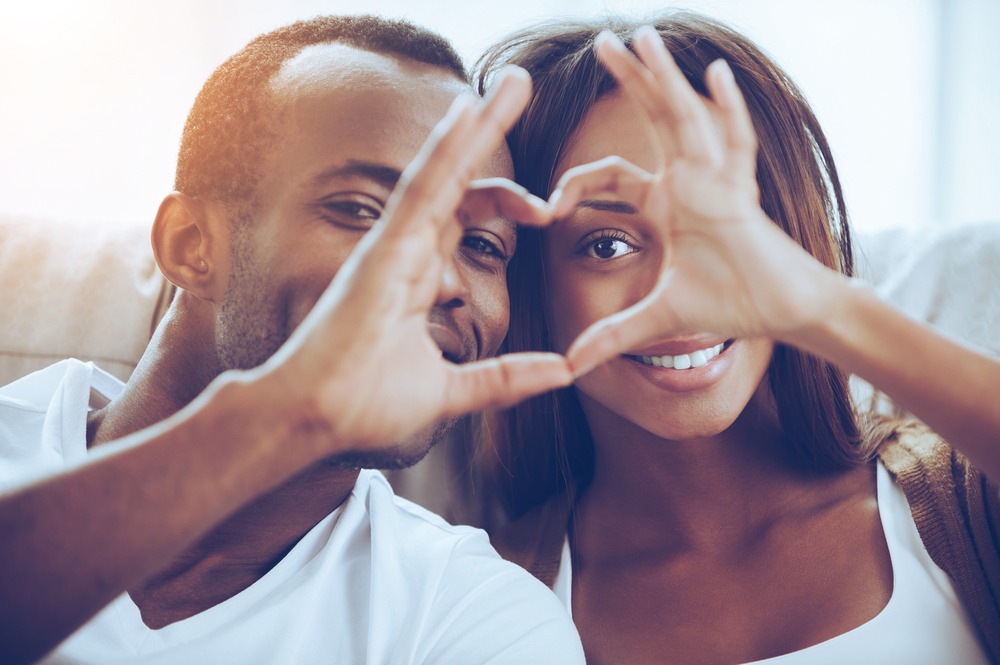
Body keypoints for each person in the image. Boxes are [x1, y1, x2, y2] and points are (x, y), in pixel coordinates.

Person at [0, 15, 585, 665]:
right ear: (192, 245)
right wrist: (277, 421)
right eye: (364, 211)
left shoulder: (471, 613)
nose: (441, 276)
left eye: (480, 244)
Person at [476, 11, 1000, 664]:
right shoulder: (483, 594)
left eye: (726, 233)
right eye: (606, 244)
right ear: (529, 284)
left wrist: (817, 305)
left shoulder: (960, 499)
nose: (679, 288)